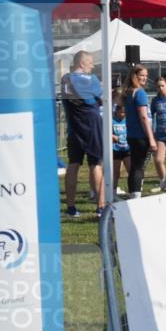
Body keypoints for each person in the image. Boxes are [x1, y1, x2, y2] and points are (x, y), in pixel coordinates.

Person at [61, 50, 105, 218]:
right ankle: (101, 206)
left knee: (73, 164)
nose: (92, 66)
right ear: (82, 63)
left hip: (74, 128)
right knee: (96, 164)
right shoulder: (92, 79)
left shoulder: (65, 79)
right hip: (92, 126)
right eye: (91, 63)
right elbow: (100, 98)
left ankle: (71, 207)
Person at [123, 65, 157, 199]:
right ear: (134, 76)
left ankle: (134, 194)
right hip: (140, 135)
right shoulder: (139, 93)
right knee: (138, 167)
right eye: (142, 75)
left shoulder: (128, 92)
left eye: (146, 75)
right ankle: (136, 196)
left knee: (134, 167)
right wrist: (151, 138)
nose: (145, 78)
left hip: (132, 135)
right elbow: (143, 117)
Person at [111, 102, 131, 196]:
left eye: (125, 112)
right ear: (117, 111)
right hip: (115, 149)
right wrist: (112, 136)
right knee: (116, 172)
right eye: (122, 112)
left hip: (126, 148)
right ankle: (113, 192)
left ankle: (132, 190)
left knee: (131, 170)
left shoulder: (128, 120)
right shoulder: (111, 121)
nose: (124, 114)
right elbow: (105, 133)